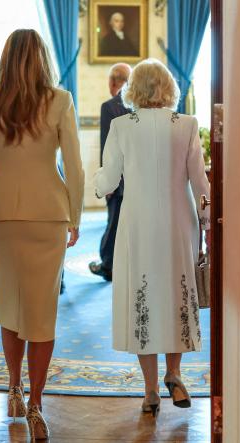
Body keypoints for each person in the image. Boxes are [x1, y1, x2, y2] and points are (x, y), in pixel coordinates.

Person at [0, 29, 84, 442]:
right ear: (42, 60)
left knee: (8, 302)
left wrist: (3, 173)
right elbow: (74, 165)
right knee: (41, 309)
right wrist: (75, 215)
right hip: (47, 216)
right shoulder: (60, 100)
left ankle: (13, 388)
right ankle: (36, 404)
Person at [94, 59, 210, 417]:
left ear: (133, 89)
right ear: (168, 88)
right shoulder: (187, 125)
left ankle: (149, 393)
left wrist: (92, 185)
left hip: (139, 224)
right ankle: (173, 374)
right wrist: (207, 223)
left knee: (142, 297)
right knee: (175, 292)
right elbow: (199, 182)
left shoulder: (121, 126)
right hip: (179, 222)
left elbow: (108, 181)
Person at [89, 63, 132, 281]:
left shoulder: (110, 106)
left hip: (119, 178)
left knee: (113, 222)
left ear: (114, 82)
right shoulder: (139, 104)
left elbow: (107, 146)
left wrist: (106, 182)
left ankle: (108, 265)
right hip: (137, 177)